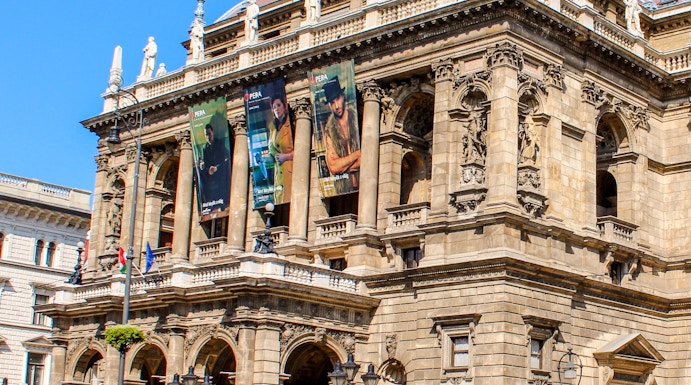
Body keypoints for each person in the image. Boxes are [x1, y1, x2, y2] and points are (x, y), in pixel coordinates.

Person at [321, 76, 361, 193]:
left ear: (342, 97)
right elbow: (333, 167)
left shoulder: (358, 119)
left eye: (337, 99)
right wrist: (357, 154)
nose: (337, 106)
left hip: (365, 182)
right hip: (343, 189)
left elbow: (368, 157)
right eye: (332, 103)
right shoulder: (329, 131)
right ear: (329, 105)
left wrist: (342, 167)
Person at [268, 94, 294, 204]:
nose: (276, 109)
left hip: (291, 172)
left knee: (291, 201)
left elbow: (303, 149)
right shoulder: (273, 128)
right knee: (280, 202)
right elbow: (272, 151)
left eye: (278, 105)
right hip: (279, 176)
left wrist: (286, 156)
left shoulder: (291, 123)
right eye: (274, 107)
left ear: (284, 106)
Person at [198, 124, 231, 212]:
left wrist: (216, 168)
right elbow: (204, 161)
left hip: (221, 171)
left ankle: (223, 204)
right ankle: (207, 204)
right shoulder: (204, 148)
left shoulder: (220, 143)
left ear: (213, 133)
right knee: (200, 177)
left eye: (209, 134)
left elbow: (227, 158)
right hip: (210, 173)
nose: (208, 136)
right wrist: (202, 166)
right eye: (206, 135)